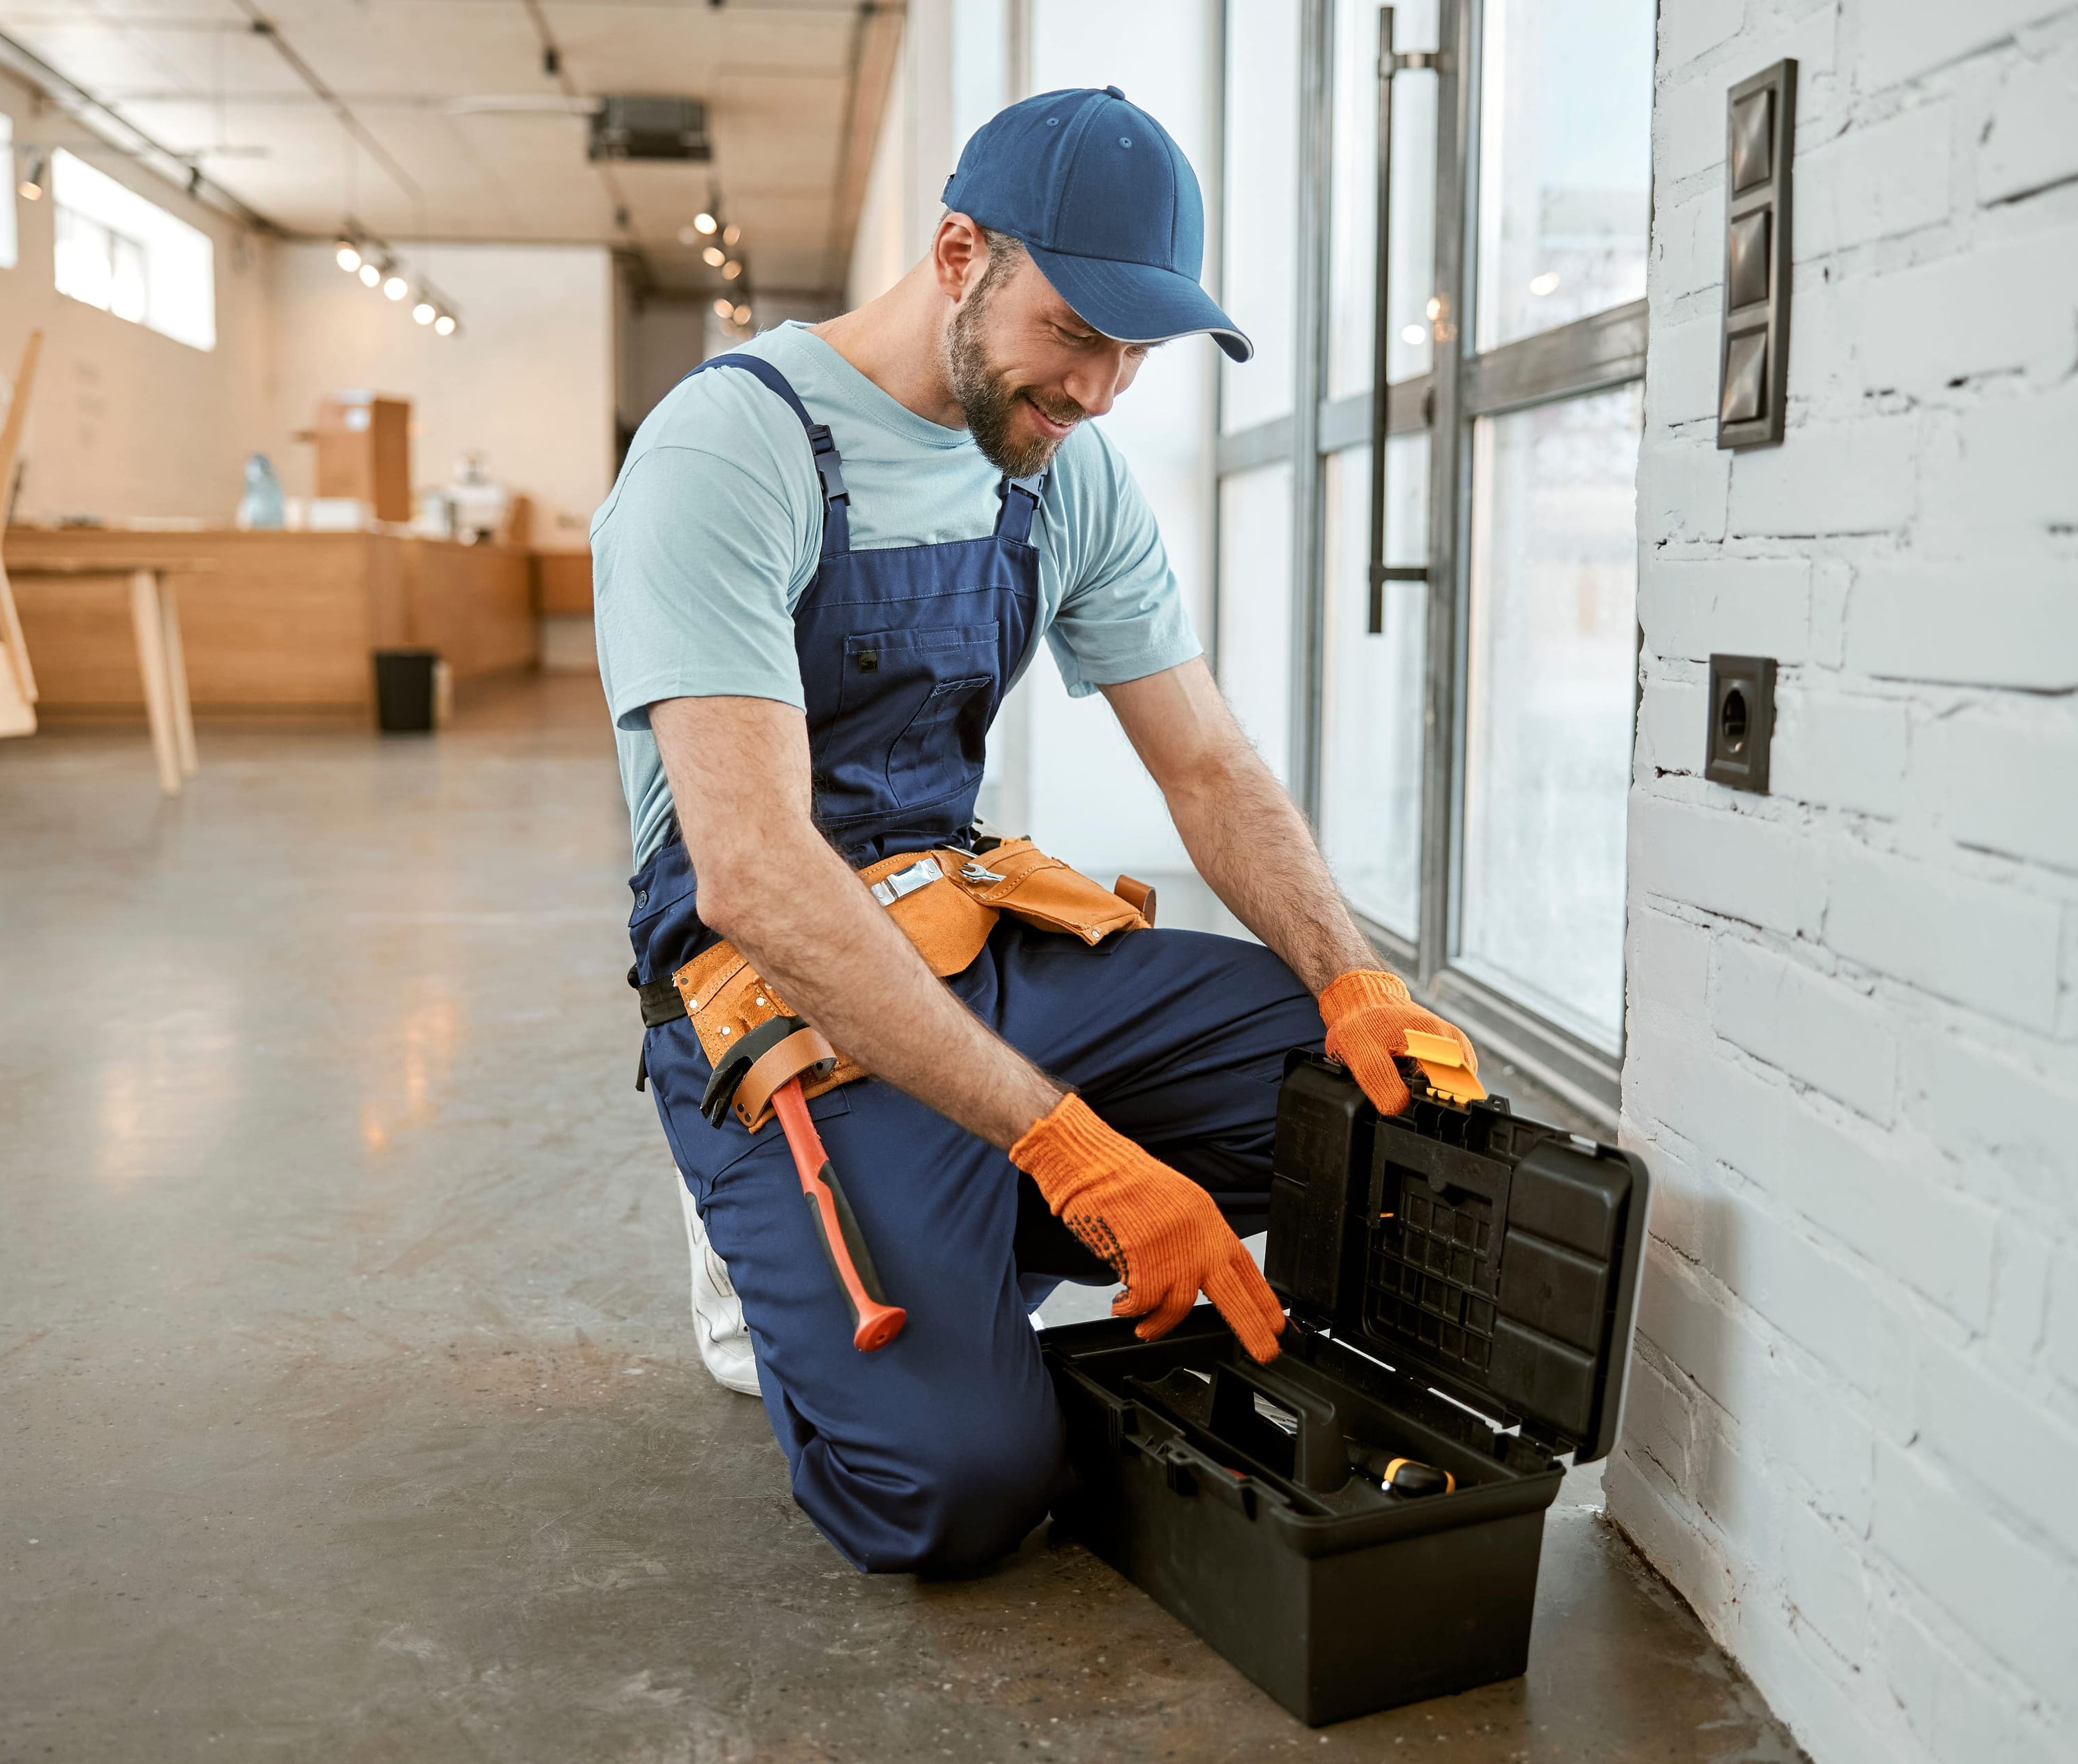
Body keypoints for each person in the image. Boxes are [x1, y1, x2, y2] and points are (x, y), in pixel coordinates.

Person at [593, 85, 1479, 1576]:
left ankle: (947, 1211)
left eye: (1136, 349)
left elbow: (1204, 762)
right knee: (961, 1489)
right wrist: (1067, 1141)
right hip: (781, 990)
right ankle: (795, 1244)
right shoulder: (729, 455)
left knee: (1354, 1094)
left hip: (964, 927)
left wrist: (1352, 974)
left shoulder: (1063, 474)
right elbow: (751, 870)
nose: (1102, 389)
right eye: (1075, 332)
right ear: (957, 254)